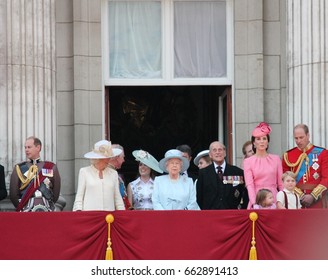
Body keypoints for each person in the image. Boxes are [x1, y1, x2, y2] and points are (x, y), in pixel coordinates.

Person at [282, 124, 328, 208]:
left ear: (308, 135)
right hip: (296, 201)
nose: (298, 141)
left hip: (318, 202)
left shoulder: (323, 153)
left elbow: (326, 178)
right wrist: (301, 195)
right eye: (296, 138)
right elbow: (285, 179)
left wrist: (313, 195)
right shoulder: (288, 156)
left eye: (301, 137)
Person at [9, 136, 61, 212]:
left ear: (38, 148)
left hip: (47, 209)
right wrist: (22, 207)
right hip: (26, 210)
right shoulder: (19, 168)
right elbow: (13, 194)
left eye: (29, 147)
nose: (26, 150)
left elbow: (56, 192)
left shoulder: (51, 167)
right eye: (25, 147)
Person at [73, 140, 125, 211]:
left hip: (109, 218)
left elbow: (117, 198)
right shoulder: (84, 172)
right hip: (90, 217)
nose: (109, 159)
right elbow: (79, 197)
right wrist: (78, 212)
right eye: (107, 157)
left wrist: (122, 214)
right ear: (98, 159)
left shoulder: (113, 174)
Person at [243, 122, 283, 209]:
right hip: (258, 198)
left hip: (274, 198)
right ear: (253, 142)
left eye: (264, 138)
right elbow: (250, 185)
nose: (261, 141)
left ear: (267, 142)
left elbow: (281, 184)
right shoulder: (248, 161)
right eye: (258, 139)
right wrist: (255, 203)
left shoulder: (276, 159)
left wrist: (283, 201)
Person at [196, 141, 246, 209]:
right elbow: (199, 196)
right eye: (214, 150)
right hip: (210, 214)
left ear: (225, 153)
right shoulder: (203, 173)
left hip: (231, 214)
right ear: (210, 154)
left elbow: (242, 193)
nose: (217, 152)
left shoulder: (237, 172)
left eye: (220, 150)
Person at [108, 144, 132, 210]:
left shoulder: (115, 174)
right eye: (123, 157)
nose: (124, 160)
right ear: (117, 157)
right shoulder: (106, 174)